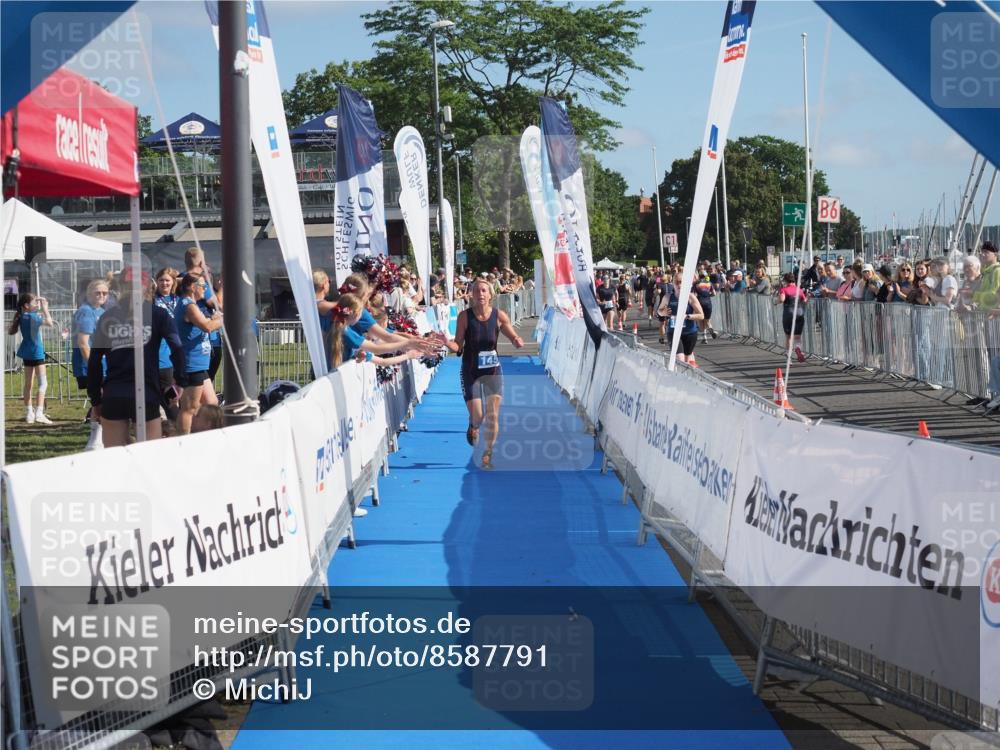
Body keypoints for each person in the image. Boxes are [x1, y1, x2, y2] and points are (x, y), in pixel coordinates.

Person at [87, 266, 185, 447]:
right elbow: (177, 348)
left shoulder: (107, 317)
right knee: (149, 455)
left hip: (115, 391)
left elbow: (94, 361)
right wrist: (179, 381)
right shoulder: (158, 314)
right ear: (148, 288)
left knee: (115, 455)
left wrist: (96, 399)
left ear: (120, 288)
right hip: (146, 392)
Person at [441, 278, 524, 469]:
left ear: (490, 295)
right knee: (478, 416)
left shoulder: (499, 315)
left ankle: (487, 454)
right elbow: (458, 346)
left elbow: (513, 336)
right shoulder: (464, 317)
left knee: (493, 415)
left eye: (484, 290)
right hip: (470, 371)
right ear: (471, 294)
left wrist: (517, 340)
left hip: (493, 371)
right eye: (477, 291)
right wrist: (447, 342)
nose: (480, 294)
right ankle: (473, 425)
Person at [175, 273, 224, 434]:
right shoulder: (189, 306)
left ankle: (202, 433)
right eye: (203, 286)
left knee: (211, 402)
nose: (205, 289)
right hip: (192, 363)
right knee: (190, 407)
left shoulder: (192, 305)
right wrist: (222, 319)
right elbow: (207, 327)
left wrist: (214, 318)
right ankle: (184, 439)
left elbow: (206, 322)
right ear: (192, 287)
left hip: (199, 364)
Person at [328, 294, 426, 369]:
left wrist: (412, 344)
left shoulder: (345, 328)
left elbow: (390, 339)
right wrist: (408, 350)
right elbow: (379, 351)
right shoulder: (350, 332)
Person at [73, 279, 110, 447]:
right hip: (91, 365)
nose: (101, 295)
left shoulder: (101, 311)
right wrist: (93, 367)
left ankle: (99, 437)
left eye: (105, 293)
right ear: (89, 294)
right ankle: (95, 440)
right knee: (99, 401)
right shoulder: (86, 312)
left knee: (103, 401)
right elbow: (83, 343)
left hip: (102, 364)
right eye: (98, 292)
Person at [8, 293, 54, 424]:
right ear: (26, 305)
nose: (37, 304)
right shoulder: (33, 317)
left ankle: (29, 413)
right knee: (43, 384)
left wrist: (38, 306)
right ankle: (39, 413)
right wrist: (45, 309)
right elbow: (50, 323)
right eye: (35, 302)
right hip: (36, 353)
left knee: (28, 384)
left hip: (27, 353)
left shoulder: (22, 316)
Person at [153, 268, 181, 424]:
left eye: (167, 280)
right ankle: (173, 426)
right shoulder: (152, 300)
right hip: (160, 355)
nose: (164, 283)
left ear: (173, 282)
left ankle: (176, 427)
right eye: (161, 280)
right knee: (168, 397)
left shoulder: (179, 300)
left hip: (177, 353)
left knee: (172, 397)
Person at [662, 270, 705, 366]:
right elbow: (660, 312)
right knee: (680, 359)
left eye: (681, 282)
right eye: (676, 282)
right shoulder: (667, 297)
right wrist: (664, 312)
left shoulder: (690, 297)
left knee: (687, 360)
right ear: (673, 283)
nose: (679, 285)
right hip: (673, 332)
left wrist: (687, 316)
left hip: (689, 332)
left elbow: (701, 315)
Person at [776, 272, 808, 363]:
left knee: (789, 337)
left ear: (786, 281)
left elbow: (782, 299)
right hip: (799, 313)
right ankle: (798, 348)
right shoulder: (799, 290)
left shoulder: (784, 289)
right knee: (797, 336)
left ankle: (789, 358)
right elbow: (805, 301)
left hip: (789, 313)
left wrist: (775, 301)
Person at [693, 272, 717, 342]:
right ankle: (711, 329)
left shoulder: (696, 284)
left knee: (701, 320)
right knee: (707, 320)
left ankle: (704, 337)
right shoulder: (709, 283)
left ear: (699, 276)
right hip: (708, 303)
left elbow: (694, 295)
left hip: (700, 302)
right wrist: (707, 295)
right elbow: (714, 294)